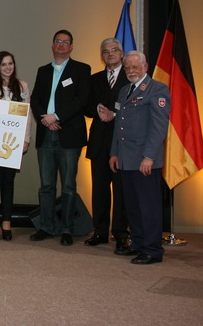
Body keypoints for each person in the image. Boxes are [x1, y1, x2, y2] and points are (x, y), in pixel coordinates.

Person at [29, 29, 91, 246]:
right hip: (46, 134)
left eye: (66, 42)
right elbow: (35, 99)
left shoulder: (82, 69)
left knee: (67, 186)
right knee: (46, 185)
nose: (62, 45)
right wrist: (45, 119)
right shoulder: (43, 71)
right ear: (52, 45)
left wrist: (57, 117)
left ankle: (66, 228)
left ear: (71, 47)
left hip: (69, 135)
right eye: (58, 41)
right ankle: (46, 226)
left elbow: (81, 100)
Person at [110, 51, 170, 264]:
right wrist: (114, 153)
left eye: (135, 67)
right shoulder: (125, 91)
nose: (131, 71)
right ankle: (137, 243)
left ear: (145, 66)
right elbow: (119, 125)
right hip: (126, 159)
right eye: (127, 68)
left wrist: (149, 157)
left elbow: (158, 127)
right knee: (133, 206)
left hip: (145, 161)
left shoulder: (157, 90)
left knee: (149, 206)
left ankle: (152, 249)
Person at [83, 38, 130, 249]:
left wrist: (115, 114)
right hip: (100, 141)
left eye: (114, 50)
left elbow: (134, 108)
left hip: (122, 144)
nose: (110, 53)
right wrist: (99, 111)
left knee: (121, 191)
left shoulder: (131, 78)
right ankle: (100, 231)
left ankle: (120, 234)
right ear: (101, 55)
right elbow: (86, 106)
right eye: (106, 51)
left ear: (121, 54)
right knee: (99, 189)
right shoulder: (94, 79)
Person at [0, 51, 32, 241]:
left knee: (8, 183)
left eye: (10, 63)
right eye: (3, 64)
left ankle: (7, 223)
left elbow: (27, 115)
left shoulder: (22, 86)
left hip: (13, 143)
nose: (7, 67)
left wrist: (26, 140)